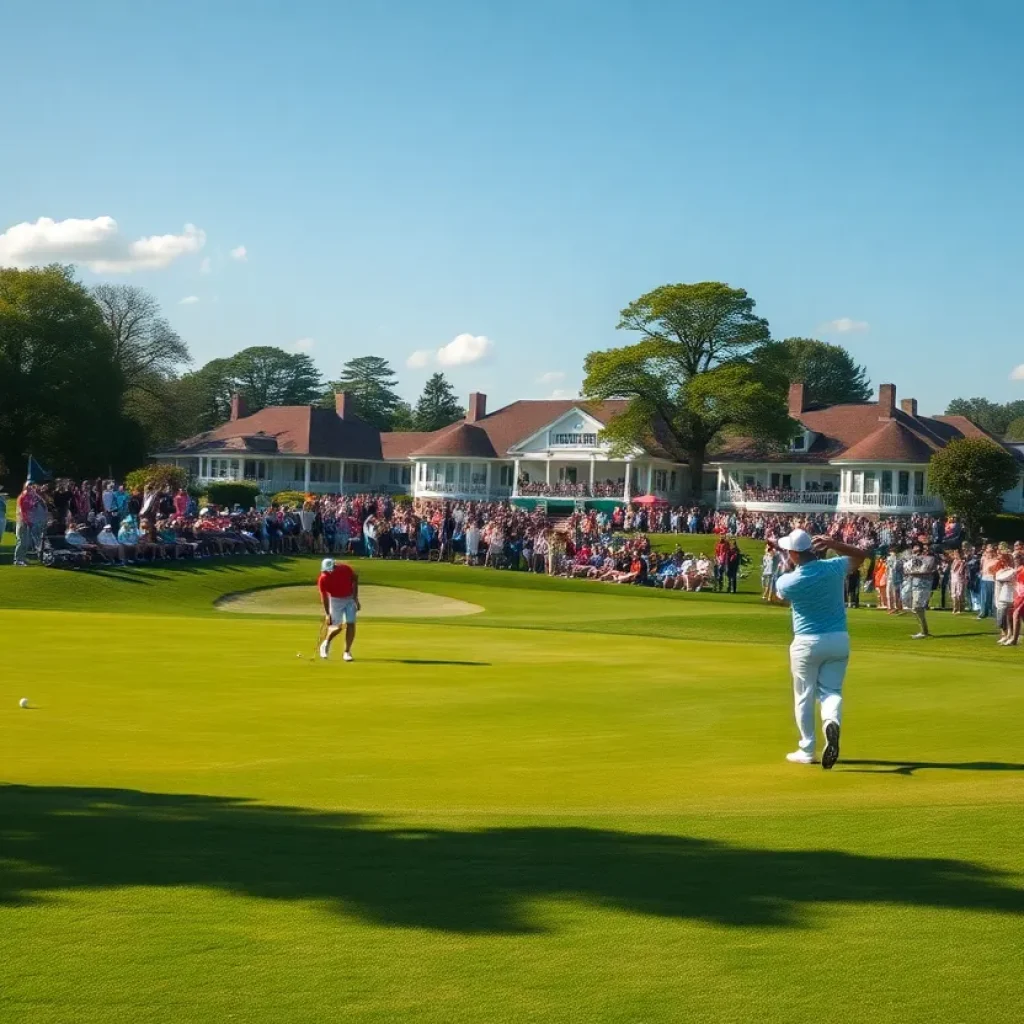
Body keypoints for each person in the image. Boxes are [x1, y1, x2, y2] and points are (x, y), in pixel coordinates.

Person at [772, 528, 867, 770]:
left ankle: (806, 750)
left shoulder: (790, 580)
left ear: (793, 553)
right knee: (831, 691)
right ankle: (830, 722)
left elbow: (779, 594)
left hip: (806, 642)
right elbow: (861, 556)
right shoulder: (834, 567)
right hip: (838, 639)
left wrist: (787, 563)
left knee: (804, 695)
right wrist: (835, 543)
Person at [318, 556, 360, 662]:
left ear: (335, 565)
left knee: (351, 623)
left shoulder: (345, 569)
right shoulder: (323, 578)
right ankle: (326, 643)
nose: (329, 572)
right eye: (327, 571)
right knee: (337, 627)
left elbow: (355, 578)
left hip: (349, 598)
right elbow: (324, 597)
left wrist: (355, 598)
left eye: (331, 569)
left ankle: (347, 652)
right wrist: (328, 614)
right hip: (335, 600)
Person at [905, 541, 937, 639]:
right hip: (916, 584)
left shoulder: (931, 559)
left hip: (924, 586)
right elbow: (910, 566)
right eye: (924, 548)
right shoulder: (919, 557)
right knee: (916, 609)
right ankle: (924, 631)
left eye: (927, 548)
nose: (925, 550)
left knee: (917, 608)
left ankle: (924, 632)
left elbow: (926, 571)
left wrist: (913, 573)